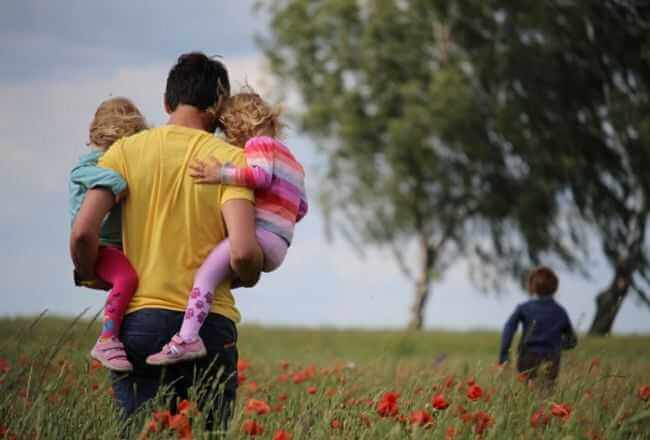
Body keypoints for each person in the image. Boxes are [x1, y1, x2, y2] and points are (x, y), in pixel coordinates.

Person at [70, 52, 262, 430]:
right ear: (218, 108)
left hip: (139, 323)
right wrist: (251, 272)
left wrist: (90, 271)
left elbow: (82, 232)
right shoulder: (231, 160)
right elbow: (242, 251)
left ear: (166, 103)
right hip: (209, 327)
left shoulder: (123, 152)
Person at [147, 88, 308, 365]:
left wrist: (219, 174)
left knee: (205, 275)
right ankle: (197, 320)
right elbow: (302, 208)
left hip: (260, 236)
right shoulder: (293, 162)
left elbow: (258, 176)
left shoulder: (259, 145)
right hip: (280, 244)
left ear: (239, 126)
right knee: (218, 279)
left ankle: (187, 338)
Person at [69, 97, 146, 372]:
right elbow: (82, 174)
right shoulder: (93, 163)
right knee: (127, 278)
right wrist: (117, 182)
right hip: (100, 246)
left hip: (116, 245)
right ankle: (107, 338)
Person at [498, 266, 577, 386]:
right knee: (546, 394)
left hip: (527, 358)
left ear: (532, 286)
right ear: (555, 287)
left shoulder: (523, 308)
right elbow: (572, 341)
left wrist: (504, 356)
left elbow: (508, 330)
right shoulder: (560, 311)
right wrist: (556, 345)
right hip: (551, 359)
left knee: (526, 394)